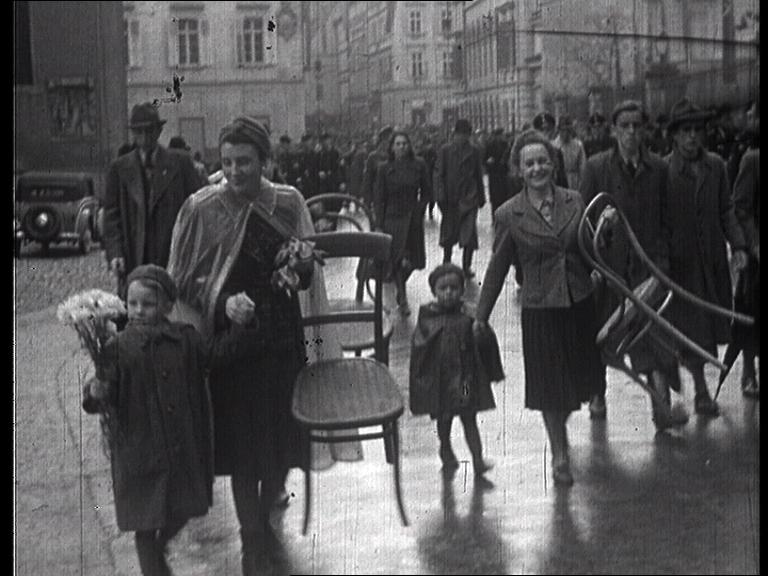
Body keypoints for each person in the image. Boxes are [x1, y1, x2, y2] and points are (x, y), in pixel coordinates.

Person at [166, 116, 343, 574]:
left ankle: (265, 516)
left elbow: (309, 267)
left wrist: (297, 266)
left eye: (244, 162)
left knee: (283, 440)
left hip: (283, 338)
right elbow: (181, 279)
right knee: (244, 450)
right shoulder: (201, 207)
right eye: (226, 162)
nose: (234, 172)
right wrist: (223, 303)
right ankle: (252, 537)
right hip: (235, 346)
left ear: (265, 160)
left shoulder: (287, 202)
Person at [474, 130, 603, 487]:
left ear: (554, 163)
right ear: (518, 169)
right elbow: (497, 268)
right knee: (549, 385)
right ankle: (559, 452)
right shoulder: (508, 214)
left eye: (543, 161)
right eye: (529, 163)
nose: (537, 169)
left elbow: (590, 248)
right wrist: (480, 316)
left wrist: (603, 243)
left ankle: (562, 435)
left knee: (578, 382)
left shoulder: (576, 201)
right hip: (540, 308)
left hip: (578, 302)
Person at [82, 264, 213, 576]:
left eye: (148, 304)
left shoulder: (185, 340)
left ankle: (158, 549)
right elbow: (98, 396)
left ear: (168, 306)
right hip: (138, 449)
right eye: (133, 303)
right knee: (144, 523)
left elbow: (212, 360)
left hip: (179, 445)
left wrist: (239, 330)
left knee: (183, 508)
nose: (138, 311)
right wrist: (96, 392)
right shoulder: (117, 347)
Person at [579, 99, 686, 431]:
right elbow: (583, 221)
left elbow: (671, 220)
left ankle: (661, 408)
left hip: (650, 269)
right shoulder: (597, 168)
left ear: (644, 130)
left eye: (637, 126)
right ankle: (598, 395)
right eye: (624, 126)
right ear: (613, 130)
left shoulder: (659, 169)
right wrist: (599, 241)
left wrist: (664, 261)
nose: (630, 132)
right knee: (603, 337)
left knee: (654, 338)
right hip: (609, 271)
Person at [665, 97, 749, 417]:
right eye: (685, 131)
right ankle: (700, 391)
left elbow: (726, 209)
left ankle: (689, 378)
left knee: (709, 325)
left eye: (697, 131)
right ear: (674, 135)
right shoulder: (665, 169)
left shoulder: (715, 165)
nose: (692, 138)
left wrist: (738, 245)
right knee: (691, 326)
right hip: (680, 264)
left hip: (711, 259)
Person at [103, 103, 206, 298]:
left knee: (172, 308)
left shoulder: (180, 163)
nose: (144, 136)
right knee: (136, 310)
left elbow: (197, 208)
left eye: (149, 130)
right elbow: (111, 216)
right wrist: (115, 252)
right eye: (138, 131)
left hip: (172, 254)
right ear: (132, 133)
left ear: (159, 131)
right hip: (134, 255)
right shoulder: (119, 168)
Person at [409, 263, 503, 477]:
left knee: (469, 419)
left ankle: (478, 460)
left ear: (461, 290)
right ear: (434, 291)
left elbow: (485, 340)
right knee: (444, 420)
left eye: (454, 288)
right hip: (440, 381)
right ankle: (446, 450)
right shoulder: (427, 316)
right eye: (443, 288)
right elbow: (420, 350)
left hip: (465, 379)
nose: (449, 293)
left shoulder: (469, 314)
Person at [373, 130, 432, 314]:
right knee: (398, 258)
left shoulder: (419, 165)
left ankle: (399, 283)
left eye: (404, 143)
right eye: (397, 144)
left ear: (409, 146)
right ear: (392, 147)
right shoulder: (384, 168)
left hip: (412, 218)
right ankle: (403, 297)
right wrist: (379, 223)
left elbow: (428, 191)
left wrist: (420, 209)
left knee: (415, 260)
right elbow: (379, 197)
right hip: (393, 218)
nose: (401, 147)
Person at [435, 119, 486, 278]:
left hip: (469, 197)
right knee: (449, 234)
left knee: (469, 234)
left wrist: (481, 196)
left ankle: (466, 266)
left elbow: (478, 174)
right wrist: (440, 195)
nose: (463, 138)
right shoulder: (445, 150)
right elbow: (438, 174)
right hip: (450, 198)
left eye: (466, 135)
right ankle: (447, 262)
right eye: (460, 134)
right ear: (454, 134)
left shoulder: (474, 151)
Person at [732, 131, 760, 399]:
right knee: (753, 313)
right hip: (758, 256)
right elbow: (741, 206)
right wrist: (755, 244)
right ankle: (749, 371)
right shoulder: (752, 160)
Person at [363, 125, 394, 218]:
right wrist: (367, 202)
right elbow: (367, 181)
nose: (388, 143)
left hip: (393, 199)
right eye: (387, 140)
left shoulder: (396, 156)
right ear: (381, 140)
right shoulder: (373, 157)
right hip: (378, 198)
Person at [531, 112, 568, 187]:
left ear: (553, 131)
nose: (545, 134)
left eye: (548, 130)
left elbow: (562, 178)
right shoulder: (530, 152)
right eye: (541, 130)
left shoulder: (556, 152)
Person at [552, 115, 587, 190]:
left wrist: (581, 185)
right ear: (559, 130)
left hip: (574, 180)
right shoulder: (553, 145)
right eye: (563, 130)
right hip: (559, 180)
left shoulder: (578, 145)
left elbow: (582, 167)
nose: (565, 133)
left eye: (568, 130)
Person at [484, 127, 511, 218]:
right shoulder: (493, 144)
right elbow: (485, 159)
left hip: (499, 174)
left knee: (500, 197)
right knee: (499, 198)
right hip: (498, 174)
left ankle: (498, 216)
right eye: (502, 134)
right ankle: (498, 217)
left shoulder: (505, 145)